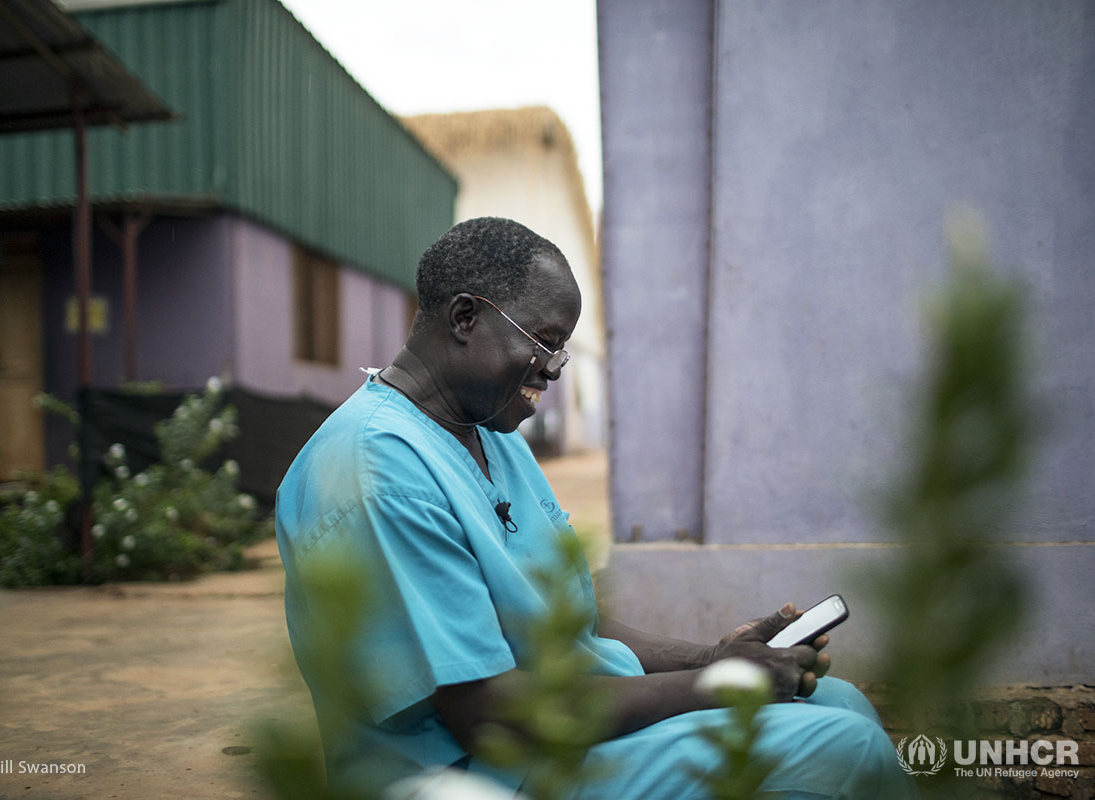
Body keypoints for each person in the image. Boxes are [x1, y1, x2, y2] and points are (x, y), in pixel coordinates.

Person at [276, 217, 917, 798]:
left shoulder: (492, 435)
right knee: (845, 751)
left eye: (564, 349)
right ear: (466, 318)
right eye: (543, 340)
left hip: (569, 730)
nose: (554, 369)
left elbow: (574, 628)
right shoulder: (377, 471)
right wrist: (721, 686)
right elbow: (488, 718)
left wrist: (712, 658)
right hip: (480, 776)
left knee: (841, 702)